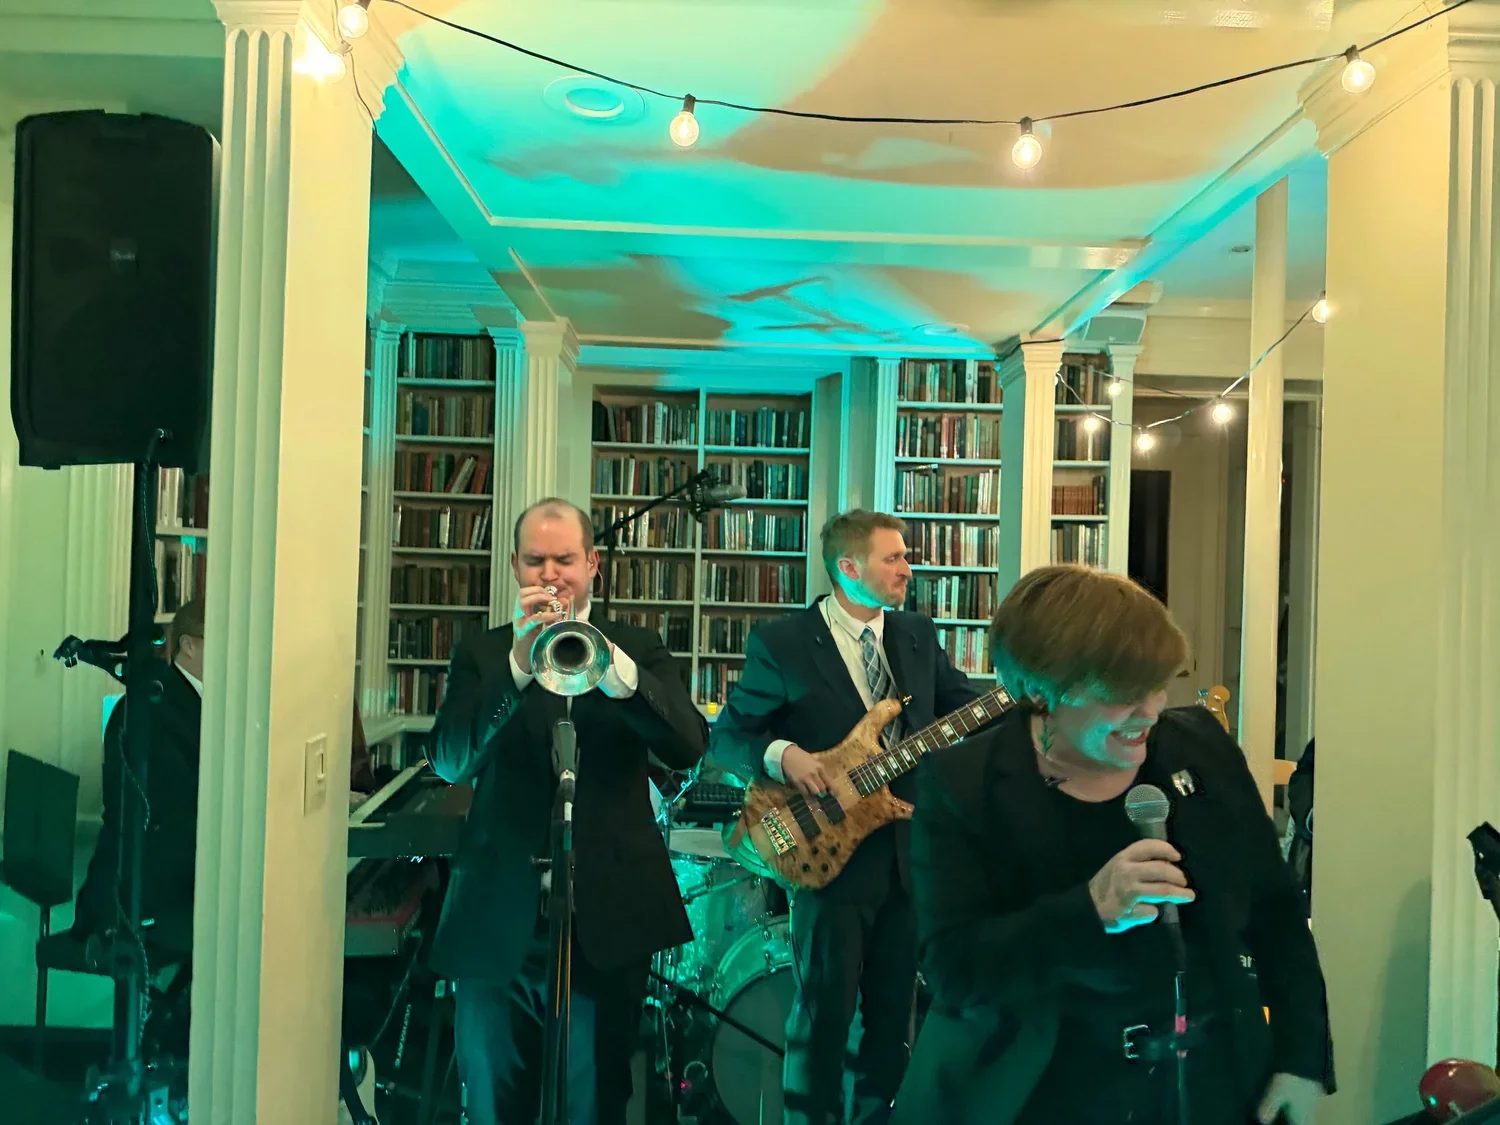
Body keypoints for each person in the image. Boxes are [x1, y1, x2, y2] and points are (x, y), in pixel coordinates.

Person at [893, 564, 1334, 1125]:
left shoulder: (1199, 748)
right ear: (1040, 691)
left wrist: (1301, 1058)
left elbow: (1276, 910)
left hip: (1209, 1085)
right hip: (1042, 1094)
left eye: (1156, 685)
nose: (1149, 710)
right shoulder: (965, 784)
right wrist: (1091, 910)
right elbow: (955, 970)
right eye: (1121, 695)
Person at [428, 497, 708, 1125]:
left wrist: (620, 676)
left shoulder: (637, 647)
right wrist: (518, 669)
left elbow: (689, 743)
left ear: (593, 565)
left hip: (607, 918)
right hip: (498, 918)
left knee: (596, 1101)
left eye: (565, 560)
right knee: (497, 1102)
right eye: (535, 561)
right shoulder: (482, 653)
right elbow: (449, 761)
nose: (550, 575)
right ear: (514, 567)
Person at [708, 509, 982, 1125]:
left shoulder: (915, 633)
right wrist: (785, 756)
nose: (908, 569)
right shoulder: (781, 643)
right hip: (827, 858)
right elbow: (727, 736)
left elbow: (963, 705)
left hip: (907, 854)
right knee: (823, 1018)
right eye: (894, 558)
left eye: (905, 557)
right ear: (848, 568)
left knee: (894, 1019)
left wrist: (1022, 704)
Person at [71, 594, 206, 1057]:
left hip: (169, 874)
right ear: (188, 646)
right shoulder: (153, 707)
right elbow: (173, 815)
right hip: (136, 889)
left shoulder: (189, 701)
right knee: (245, 935)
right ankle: (182, 1062)